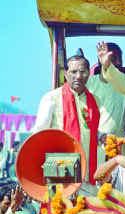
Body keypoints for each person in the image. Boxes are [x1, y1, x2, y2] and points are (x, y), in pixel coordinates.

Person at [33, 53, 100, 194]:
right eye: (73, 72)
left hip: (87, 171)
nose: (78, 76)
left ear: (89, 74)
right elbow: (39, 134)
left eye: (82, 71)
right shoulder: (51, 98)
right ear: (65, 74)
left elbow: (89, 132)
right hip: (60, 167)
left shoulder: (94, 101)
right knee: (61, 211)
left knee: (88, 213)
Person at [87, 43, 125, 138]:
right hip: (91, 145)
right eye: (113, 58)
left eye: (120, 59)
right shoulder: (88, 84)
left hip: (119, 146)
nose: (118, 63)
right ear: (101, 60)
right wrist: (99, 136)